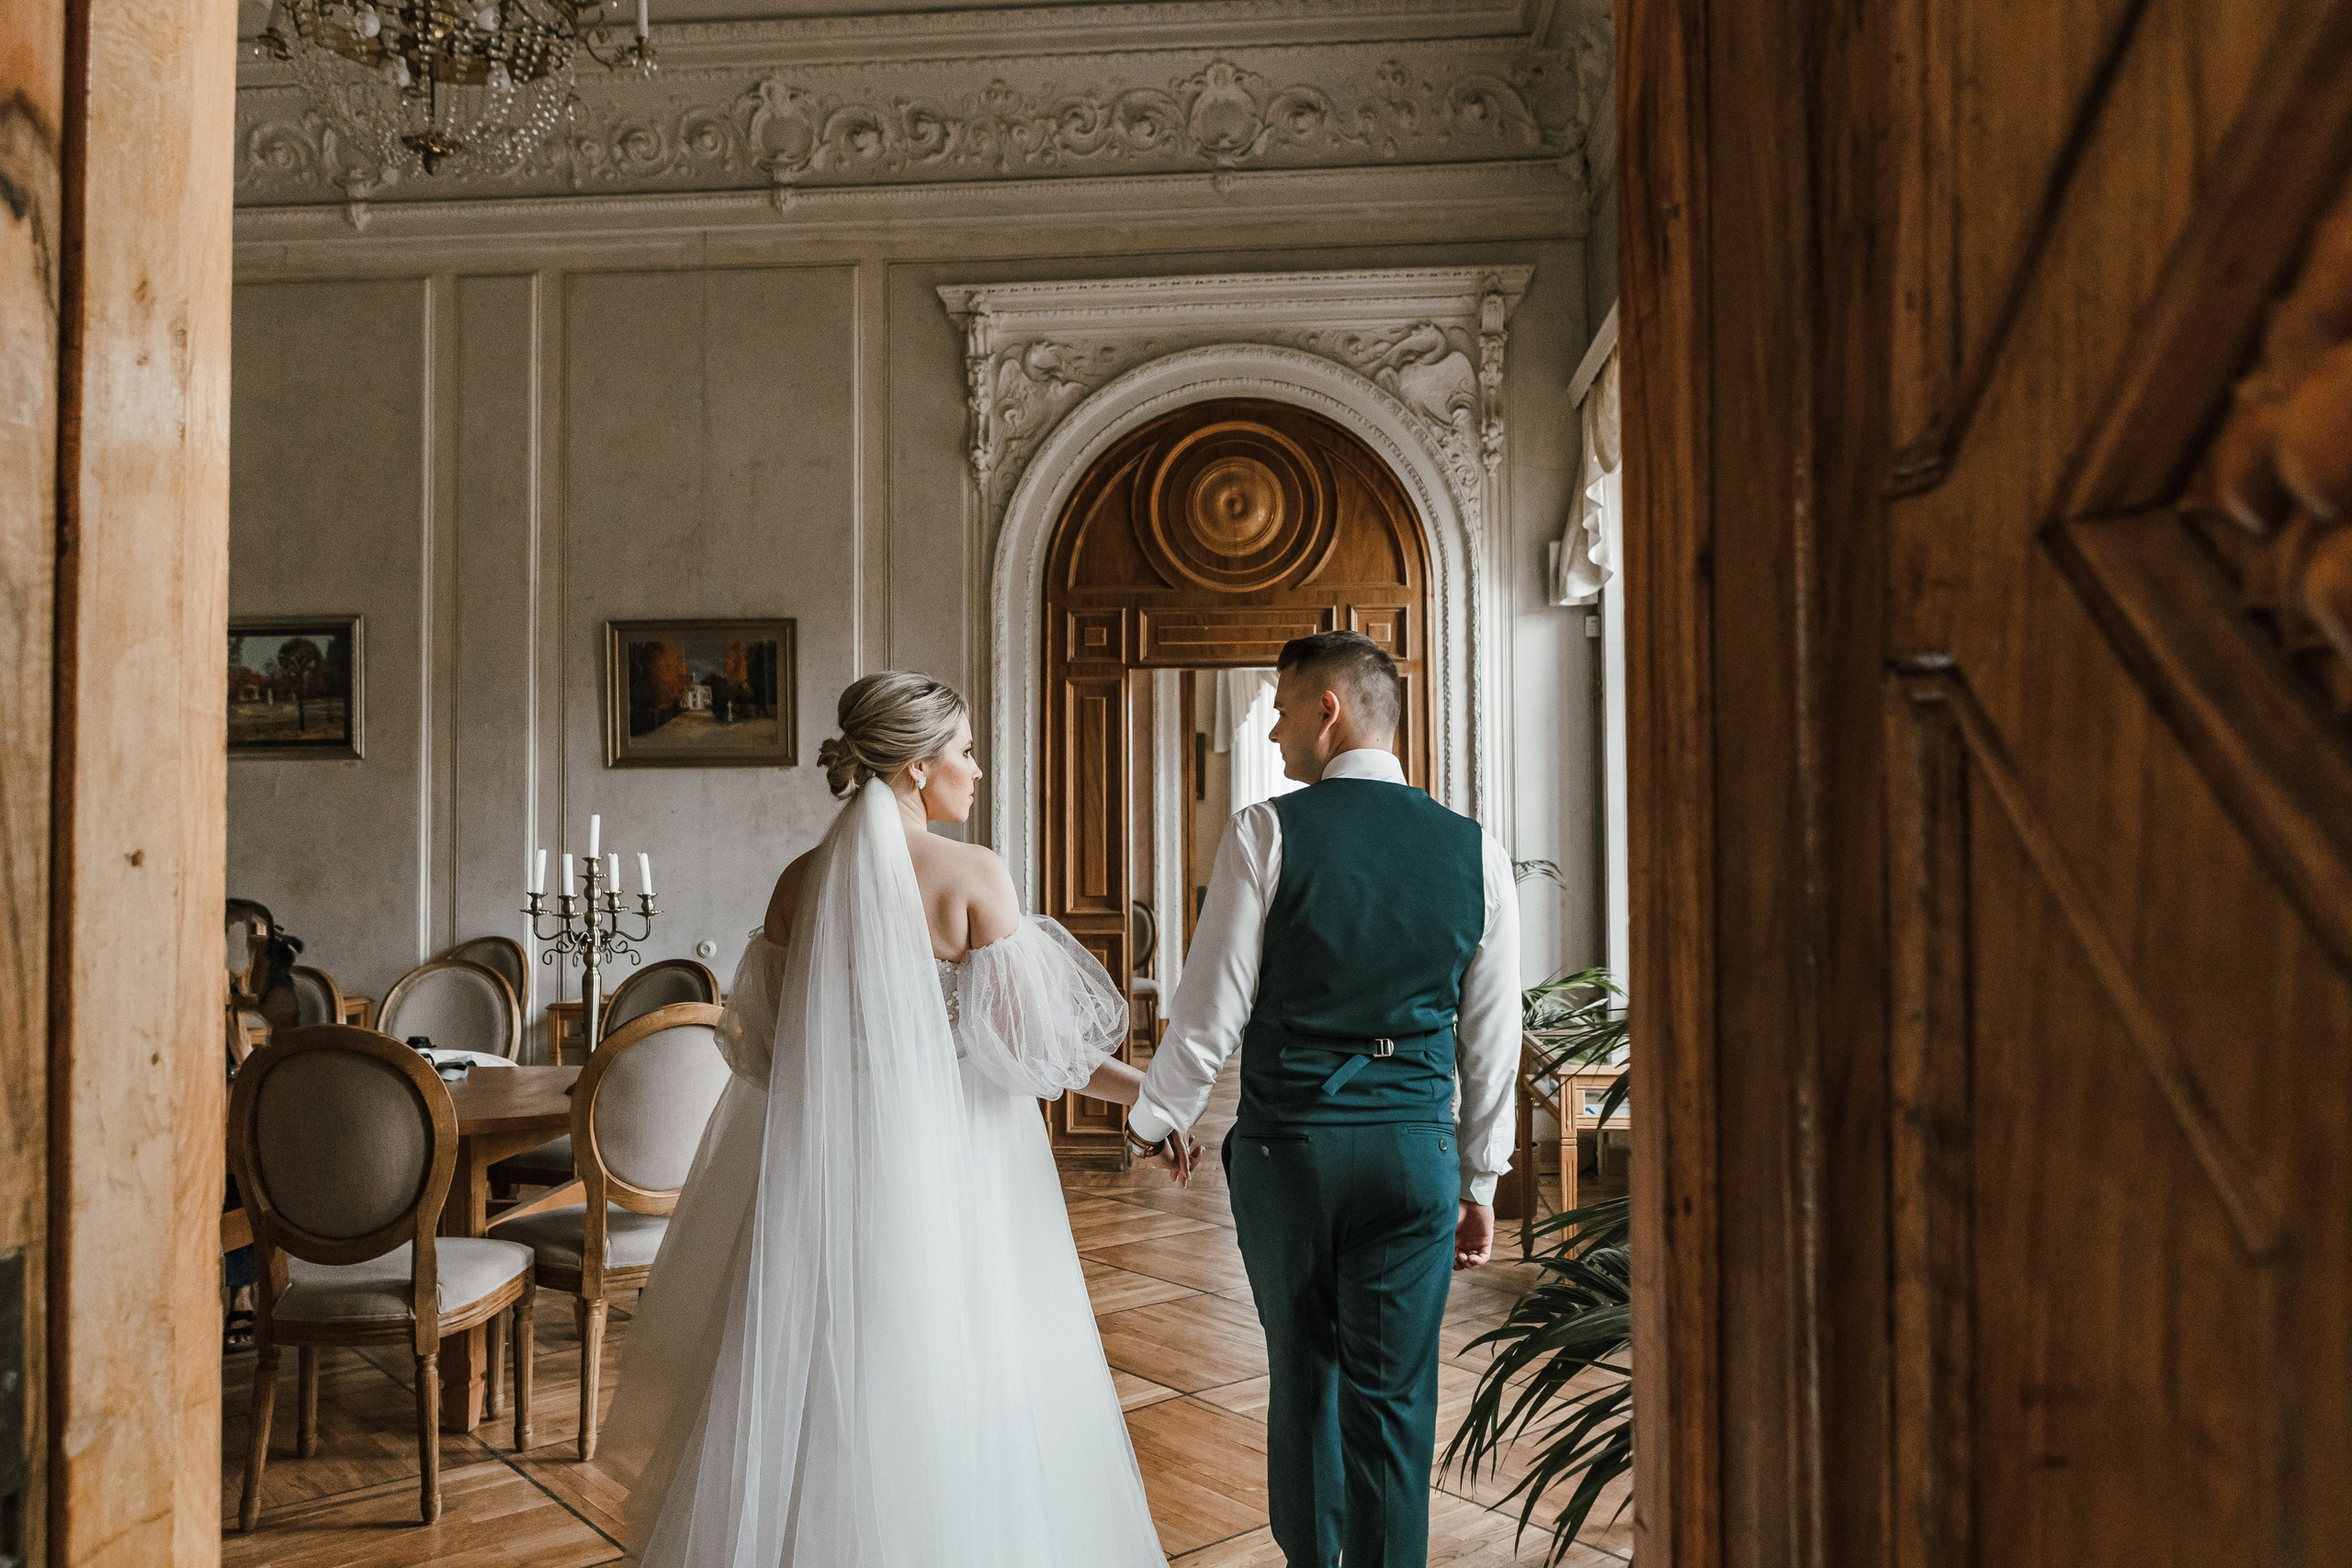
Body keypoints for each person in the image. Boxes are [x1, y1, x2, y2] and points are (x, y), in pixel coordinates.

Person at [600, 671, 1187, 1568]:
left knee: (824, 1362)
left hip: (826, 1169)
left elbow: (758, 1052)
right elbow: (1039, 1052)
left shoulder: (797, 884)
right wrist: (1148, 1097)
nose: (977, 769)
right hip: (963, 1167)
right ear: (916, 768)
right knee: (968, 1362)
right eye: (964, 751)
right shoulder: (972, 877)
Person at [1126, 629, 1521, 1568]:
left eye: (1279, 703)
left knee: (1305, 1383)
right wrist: (1481, 1178)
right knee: (1394, 1403)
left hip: (1289, 1155)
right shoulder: (1476, 851)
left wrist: (1158, 1117)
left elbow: (1207, 1008)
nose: (1270, 727)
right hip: (1412, 1159)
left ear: (1327, 708)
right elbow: (1490, 1038)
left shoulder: (1266, 832)